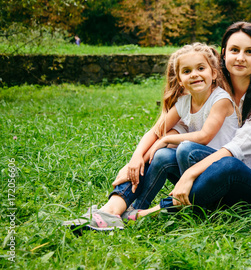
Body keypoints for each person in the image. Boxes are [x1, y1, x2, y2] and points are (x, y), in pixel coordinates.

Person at [64, 42, 238, 230]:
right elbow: (156, 131)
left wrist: (165, 140)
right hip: (193, 168)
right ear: (180, 80)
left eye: (201, 68)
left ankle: (115, 212)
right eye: (187, 71)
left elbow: (204, 137)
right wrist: (136, 158)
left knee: (184, 148)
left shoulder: (220, 100)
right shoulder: (184, 102)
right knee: (162, 156)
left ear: (213, 73)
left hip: (218, 169)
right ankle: (122, 211)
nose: (194, 74)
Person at [133, 22, 251, 219]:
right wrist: (136, 158)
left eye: (249, 52)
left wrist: (189, 174)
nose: (240, 58)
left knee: (226, 164)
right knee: (167, 154)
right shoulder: (213, 87)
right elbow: (176, 126)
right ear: (224, 53)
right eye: (234, 50)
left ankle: (156, 211)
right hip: (210, 169)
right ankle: (130, 208)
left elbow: (238, 148)